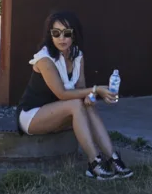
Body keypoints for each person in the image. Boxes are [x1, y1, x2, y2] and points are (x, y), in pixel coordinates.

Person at [17, 11, 132, 179]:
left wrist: (92, 96)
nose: (61, 38)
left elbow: (81, 88)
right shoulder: (44, 59)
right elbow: (62, 94)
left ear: (74, 34)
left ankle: (113, 158)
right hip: (32, 115)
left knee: (87, 104)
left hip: (60, 111)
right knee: (76, 104)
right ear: (50, 35)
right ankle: (94, 162)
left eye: (67, 33)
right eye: (56, 33)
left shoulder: (77, 55)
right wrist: (97, 89)